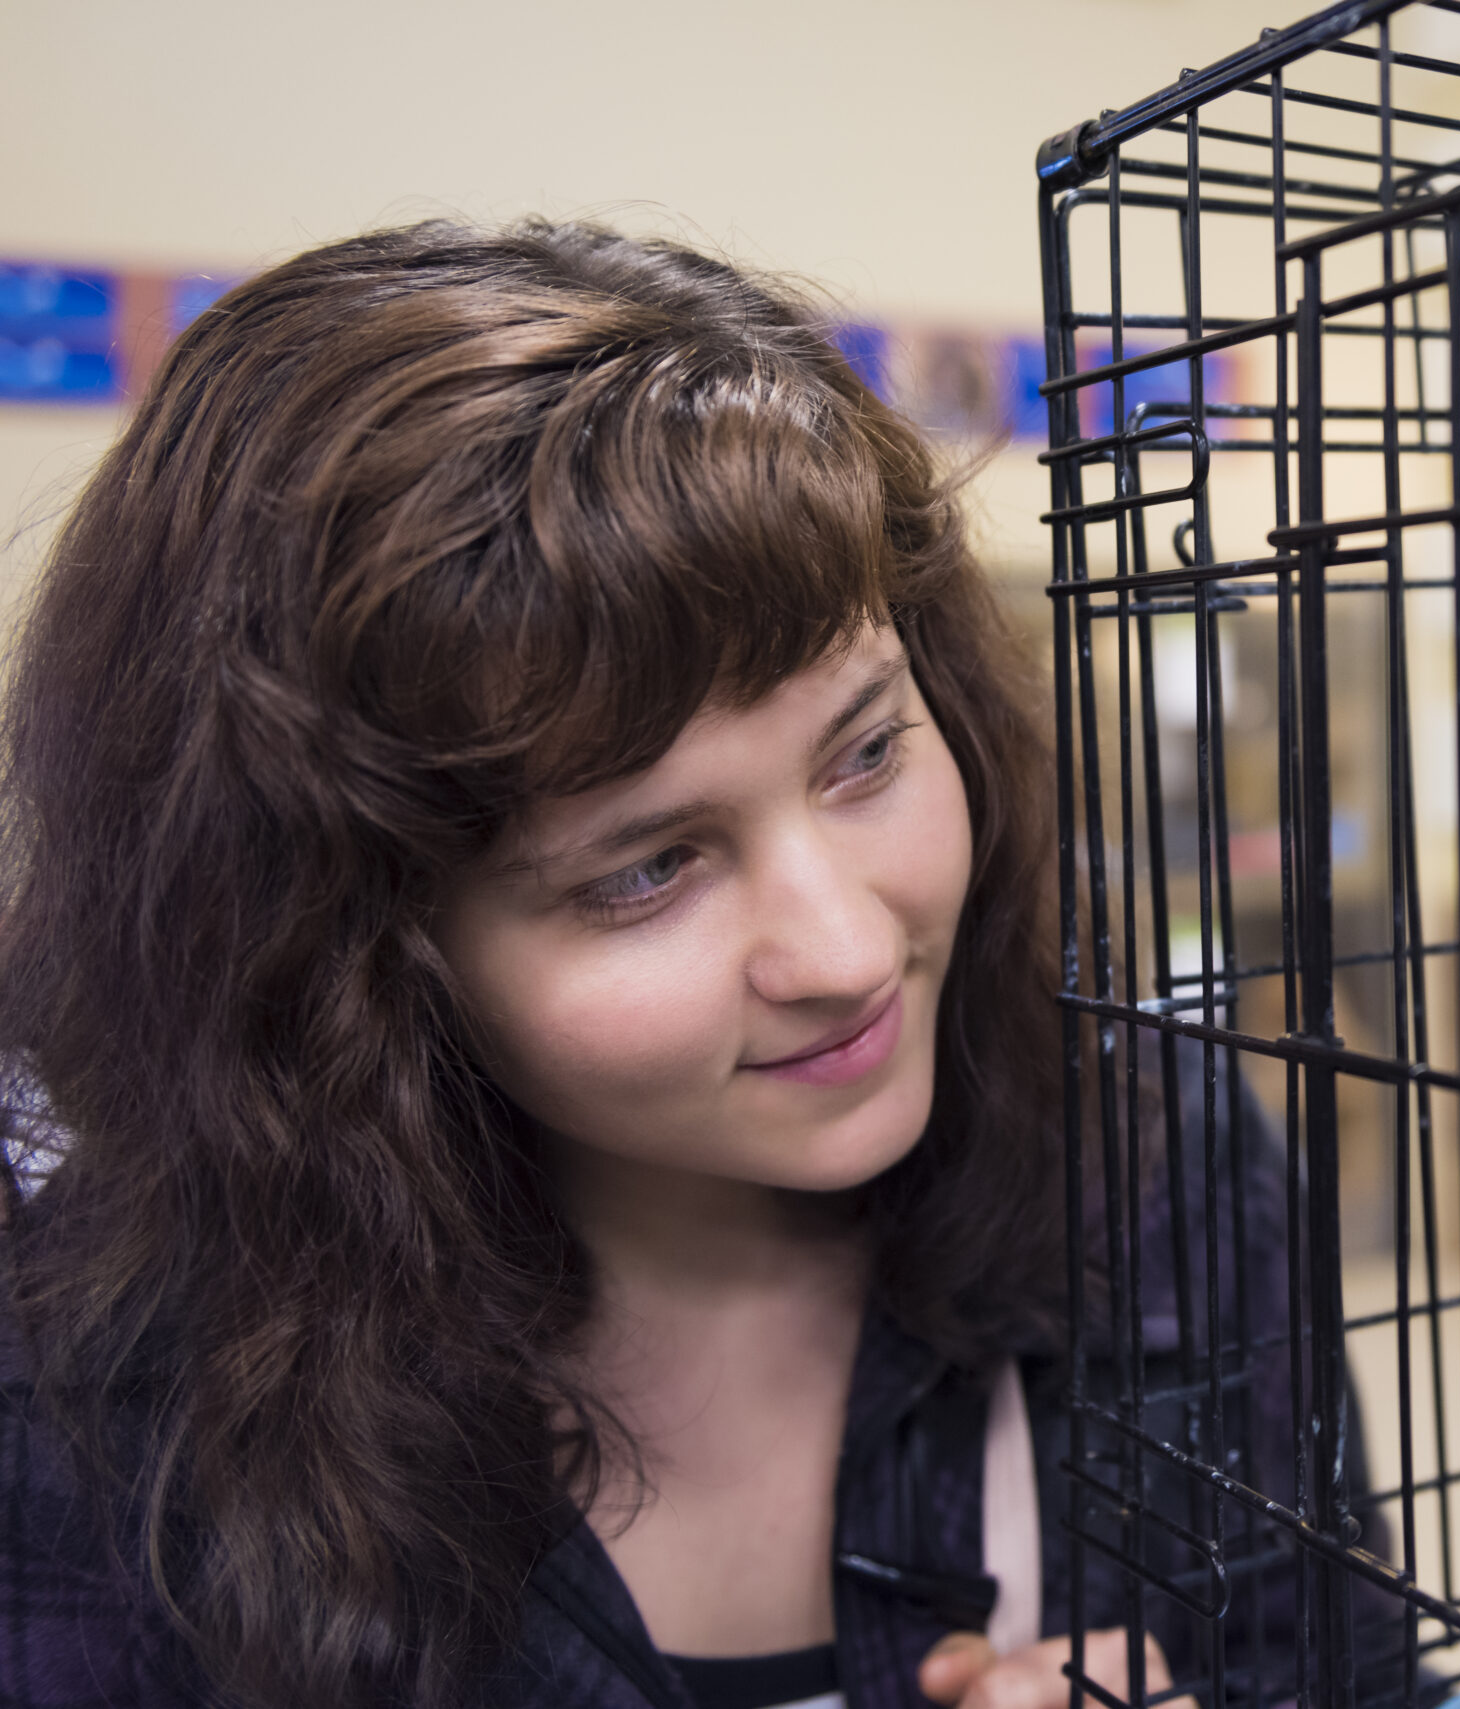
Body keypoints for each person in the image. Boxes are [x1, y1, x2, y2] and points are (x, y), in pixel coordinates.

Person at [0, 220, 1378, 1709]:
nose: (849, 948)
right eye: (646, 870)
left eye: (864, 754)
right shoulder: (102, 1404)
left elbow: (1347, 1677)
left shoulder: (1152, 1152)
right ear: (350, 963)